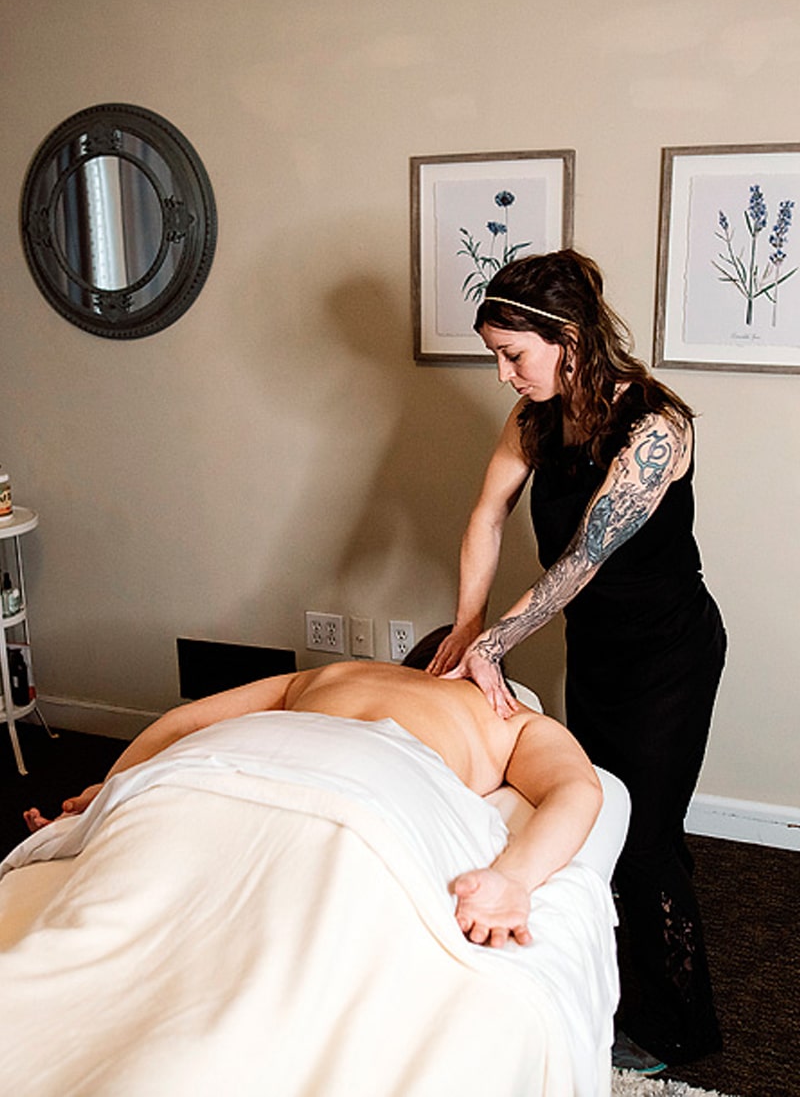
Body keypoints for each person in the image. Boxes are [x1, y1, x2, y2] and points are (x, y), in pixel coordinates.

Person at [427, 248, 727, 1069]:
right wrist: (467, 621)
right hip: (596, 649)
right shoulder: (534, 417)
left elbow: (581, 561)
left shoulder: (657, 428)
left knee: (649, 835)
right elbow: (487, 515)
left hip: (669, 656)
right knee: (595, 814)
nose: (501, 374)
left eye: (512, 354)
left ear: (568, 339)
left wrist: (495, 643)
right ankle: (609, 987)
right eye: (495, 354)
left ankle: (678, 1035)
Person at [24, 654, 602, 952]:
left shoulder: (335, 671)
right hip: (370, 778)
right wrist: (513, 880)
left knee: (118, 910)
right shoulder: (507, 714)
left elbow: (184, 722)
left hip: (227, 759)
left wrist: (110, 790)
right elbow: (577, 789)